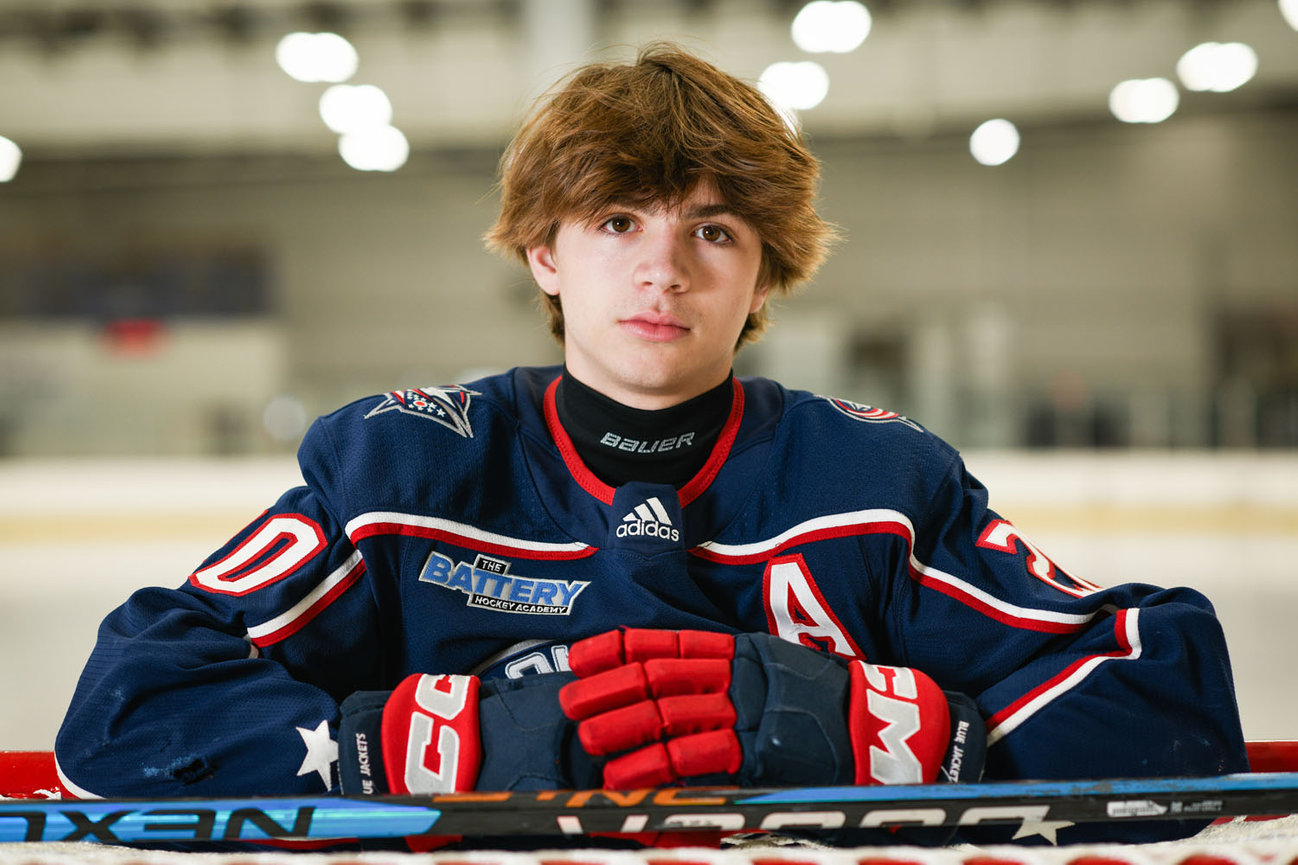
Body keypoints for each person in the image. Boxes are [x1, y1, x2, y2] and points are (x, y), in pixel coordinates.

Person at [56, 42, 1247, 849]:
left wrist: (897, 732)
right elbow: (129, 704)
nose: (661, 268)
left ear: (765, 272)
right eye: (616, 220)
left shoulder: (872, 484)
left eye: (713, 230)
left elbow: (1164, 698)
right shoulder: (400, 473)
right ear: (543, 253)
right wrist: (414, 741)